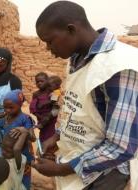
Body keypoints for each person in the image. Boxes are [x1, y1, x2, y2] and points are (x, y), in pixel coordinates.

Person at [32, 1, 138, 190]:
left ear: (71, 30)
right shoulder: (76, 58)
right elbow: (79, 109)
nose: (48, 48)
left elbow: (119, 147)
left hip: (107, 175)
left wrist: (60, 169)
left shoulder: (118, 67)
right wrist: (57, 137)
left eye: (50, 41)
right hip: (78, 160)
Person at [0, 89, 35, 190]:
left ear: (20, 105)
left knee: (23, 179)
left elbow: (33, 138)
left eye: (11, 107)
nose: (7, 110)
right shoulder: (6, 118)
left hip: (22, 157)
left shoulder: (25, 119)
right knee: (11, 181)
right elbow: (1, 130)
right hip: (8, 157)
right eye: (5, 107)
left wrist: (24, 130)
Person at [30, 73, 61, 144]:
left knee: (50, 134)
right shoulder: (36, 94)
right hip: (40, 117)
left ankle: (48, 150)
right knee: (43, 134)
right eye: (37, 82)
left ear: (47, 81)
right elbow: (33, 107)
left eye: (42, 81)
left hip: (51, 117)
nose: (39, 83)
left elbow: (54, 102)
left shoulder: (53, 91)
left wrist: (44, 104)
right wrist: (38, 115)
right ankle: (43, 150)